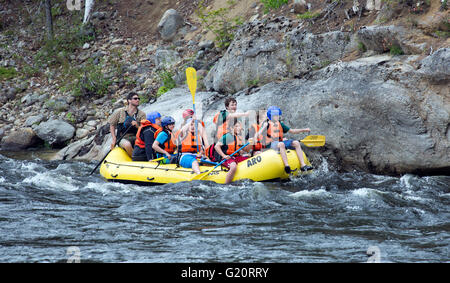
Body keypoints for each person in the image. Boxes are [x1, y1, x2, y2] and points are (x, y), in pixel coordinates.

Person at [256, 106, 313, 173]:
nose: (277, 117)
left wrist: (304, 130)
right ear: (270, 116)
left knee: (296, 143)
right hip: (270, 145)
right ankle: (287, 166)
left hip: (279, 143)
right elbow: (258, 134)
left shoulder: (280, 124)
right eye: (275, 116)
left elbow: (292, 131)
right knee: (281, 144)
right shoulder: (266, 124)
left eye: (277, 115)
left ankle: (303, 165)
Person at [108, 92, 146, 156]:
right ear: (129, 100)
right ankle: (134, 158)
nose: (138, 100)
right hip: (122, 137)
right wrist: (114, 139)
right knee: (127, 145)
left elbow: (144, 128)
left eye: (138, 99)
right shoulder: (120, 111)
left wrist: (137, 125)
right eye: (135, 98)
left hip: (136, 137)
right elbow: (112, 124)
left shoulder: (142, 114)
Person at [214, 119, 251, 184]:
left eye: (239, 126)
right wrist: (224, 156)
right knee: (233, 167)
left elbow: (247, 150)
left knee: (250, 158)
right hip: (227, 158)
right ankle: (226, 185)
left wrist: (250, 143)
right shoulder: (228, 136)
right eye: (236, 126)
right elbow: (216, 146)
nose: (239, 128)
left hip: (236, 157)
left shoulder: (239, 137)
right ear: (231, 128)